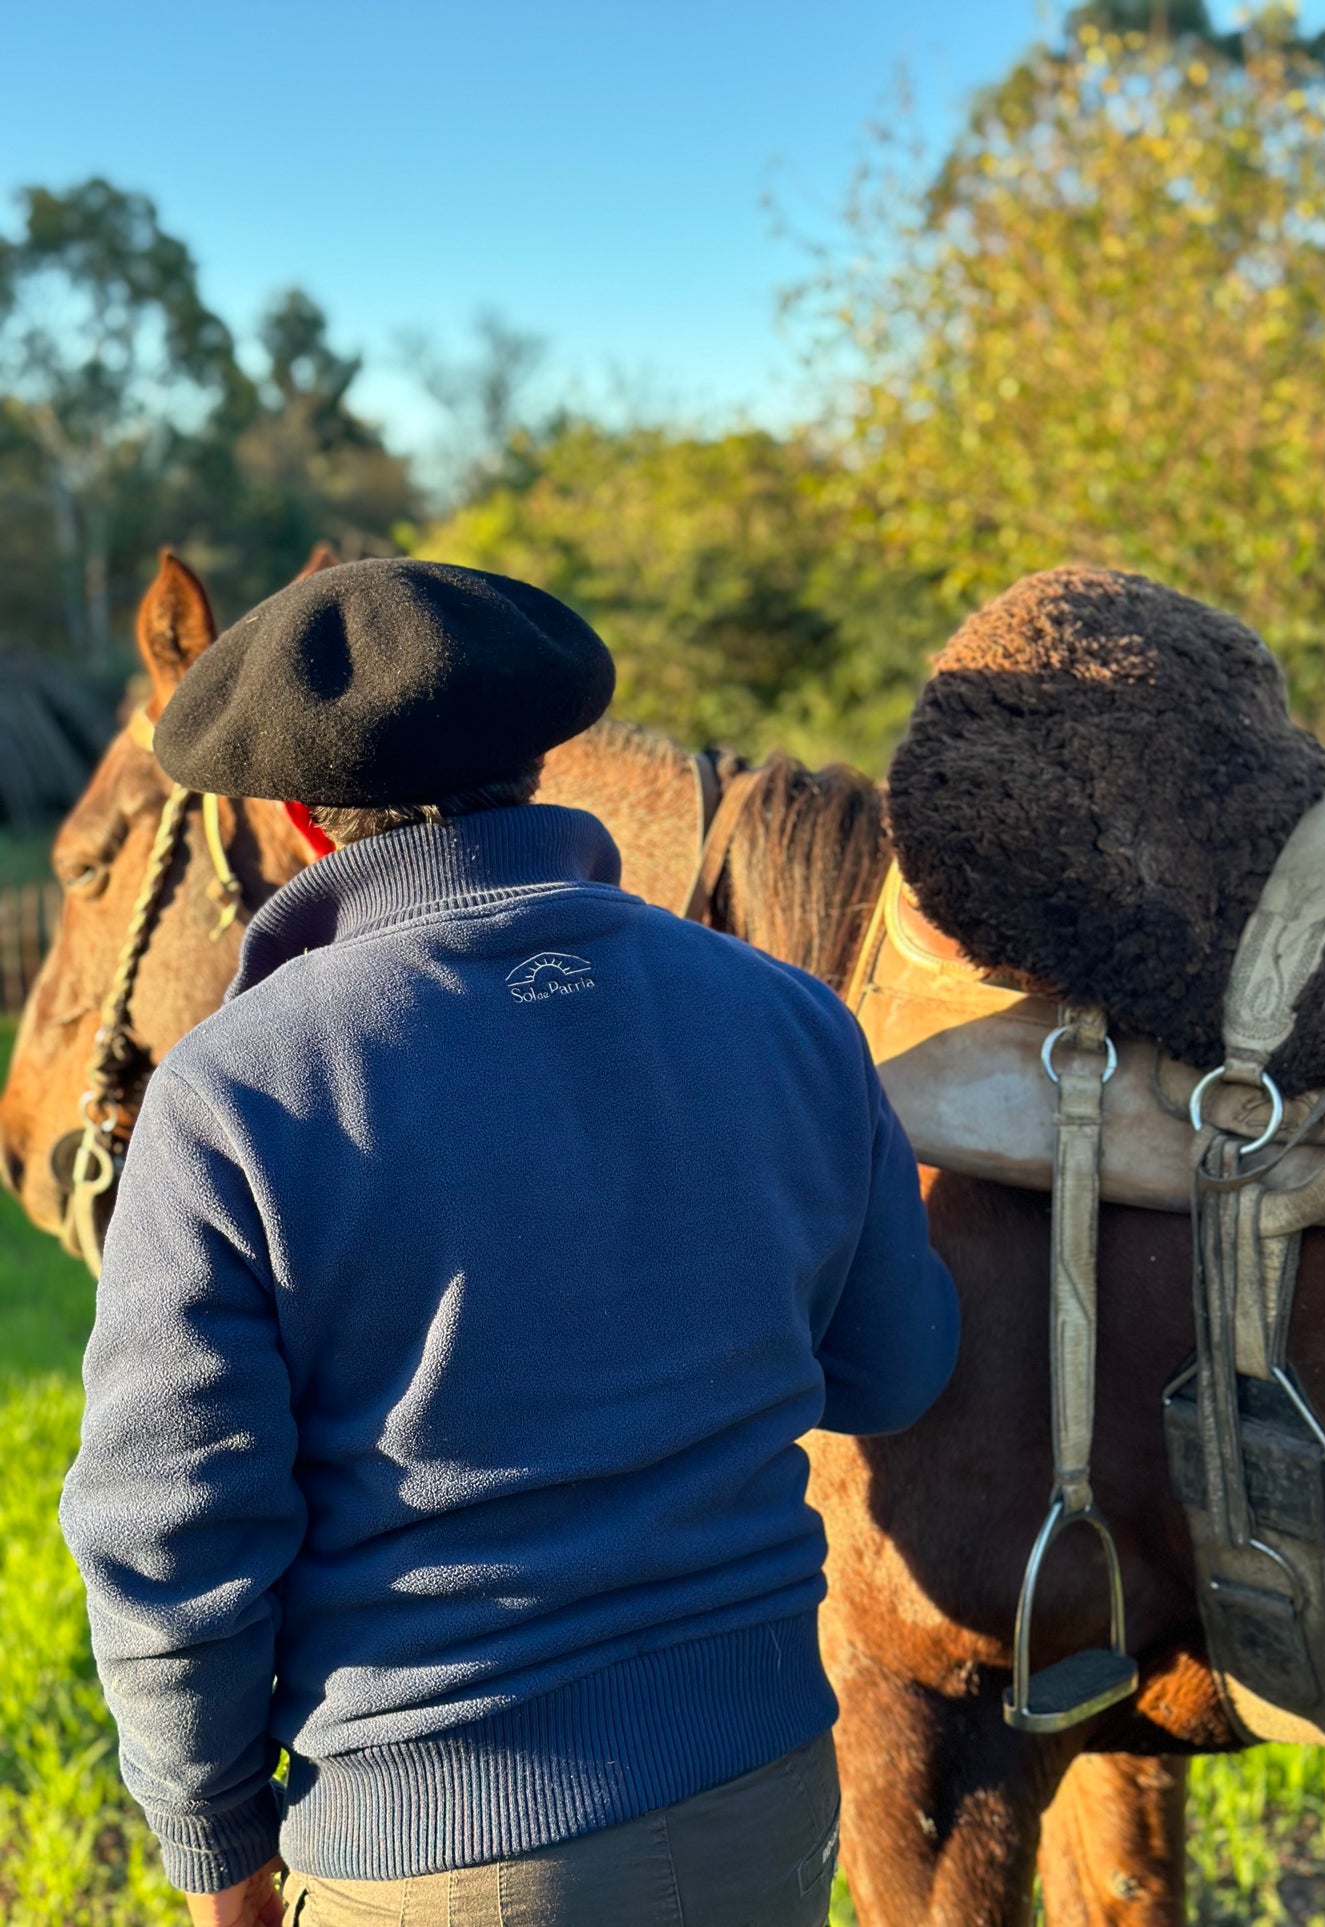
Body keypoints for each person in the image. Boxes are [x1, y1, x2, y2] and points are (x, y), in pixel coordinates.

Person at [60, 558, 960, 1927]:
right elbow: (895, 1371)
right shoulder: (786, 1016)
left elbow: (171, 1534)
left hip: (434, 1851)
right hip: (768, 1784)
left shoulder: (233, 1093)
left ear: (302, 820)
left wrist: (211, 1846)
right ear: (545, 765)